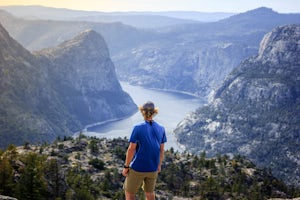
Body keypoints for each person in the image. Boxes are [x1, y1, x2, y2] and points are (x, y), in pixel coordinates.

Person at [122, 101, 167, 200]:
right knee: (150, 193)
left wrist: (126, 166)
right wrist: (159, 165)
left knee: (129, 193)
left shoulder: (137, 127)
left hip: (138, 167)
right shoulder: (161, 128)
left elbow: (131, 149)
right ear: (155, 112)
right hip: (153, 168)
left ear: (142, 112)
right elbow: (161, 150)